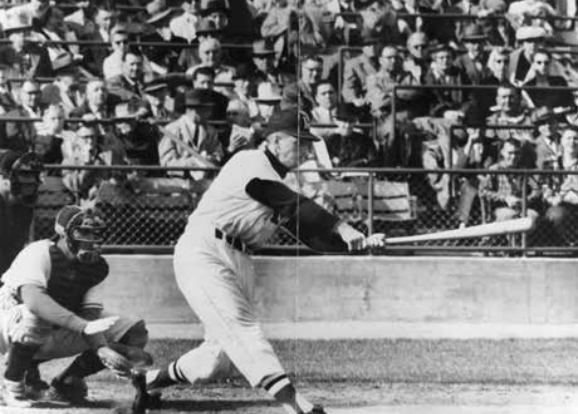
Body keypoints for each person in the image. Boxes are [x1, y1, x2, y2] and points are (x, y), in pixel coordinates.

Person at [142, 108, 386, 414]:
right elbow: (291, 203)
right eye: (300, 142)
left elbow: (308, 232)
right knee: (244, 330)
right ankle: (296, 405)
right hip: (204, 252)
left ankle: (148, 381)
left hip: (238, 257)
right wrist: (343, 226)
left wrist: (356, 244)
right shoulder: (250, 162)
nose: (308, 148)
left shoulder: (279, 181)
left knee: (217, 359)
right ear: (275, 140)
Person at [0, 205, 150, 407]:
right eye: (84, 232)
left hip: (49, 330)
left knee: (134, 330)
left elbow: (90, 315)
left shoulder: (95, 267)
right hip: (9, 329)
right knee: (37, 316)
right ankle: (12, 384)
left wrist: (102, 348)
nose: (92, 239)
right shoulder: (39, 252)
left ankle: (66, 382)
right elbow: (35, 301)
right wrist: (82, 326)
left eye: (96, 232)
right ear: (63, 233)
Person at [0, 151, 42, 278]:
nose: (30, 183)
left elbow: (15, 249)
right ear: (4, 177)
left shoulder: (23, 207)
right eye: (24, 175)